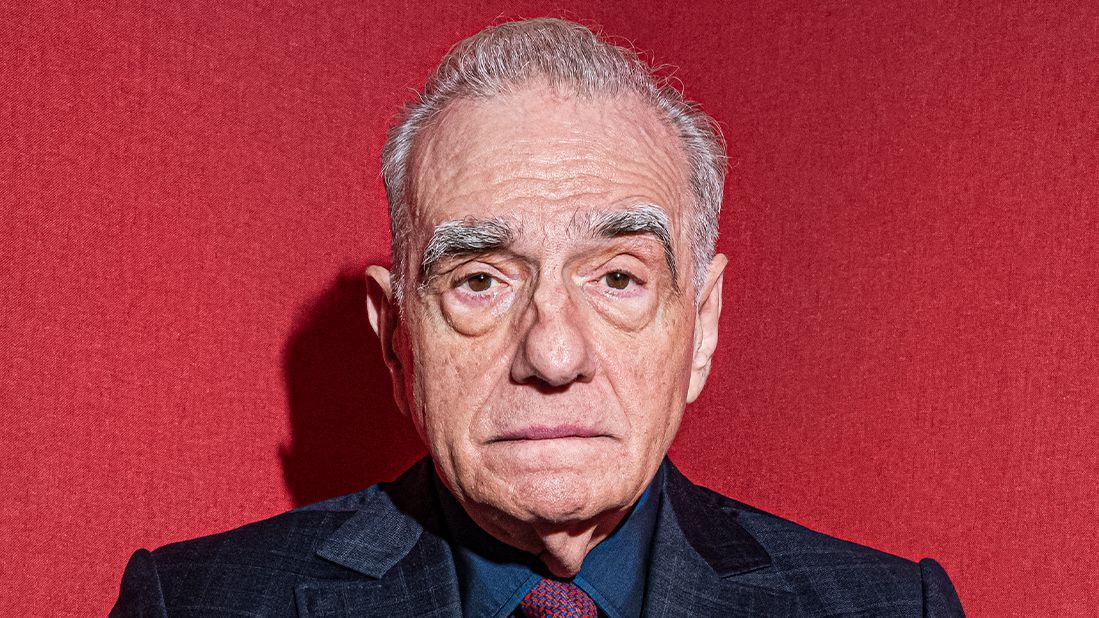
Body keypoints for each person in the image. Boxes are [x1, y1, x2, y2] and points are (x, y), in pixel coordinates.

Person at [112, 18, 964, 617]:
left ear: (700, 325)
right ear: (397, 338)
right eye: (479, 280)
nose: (552, 355)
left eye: (618, 278)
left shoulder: (894, 608)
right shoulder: (193, 602)